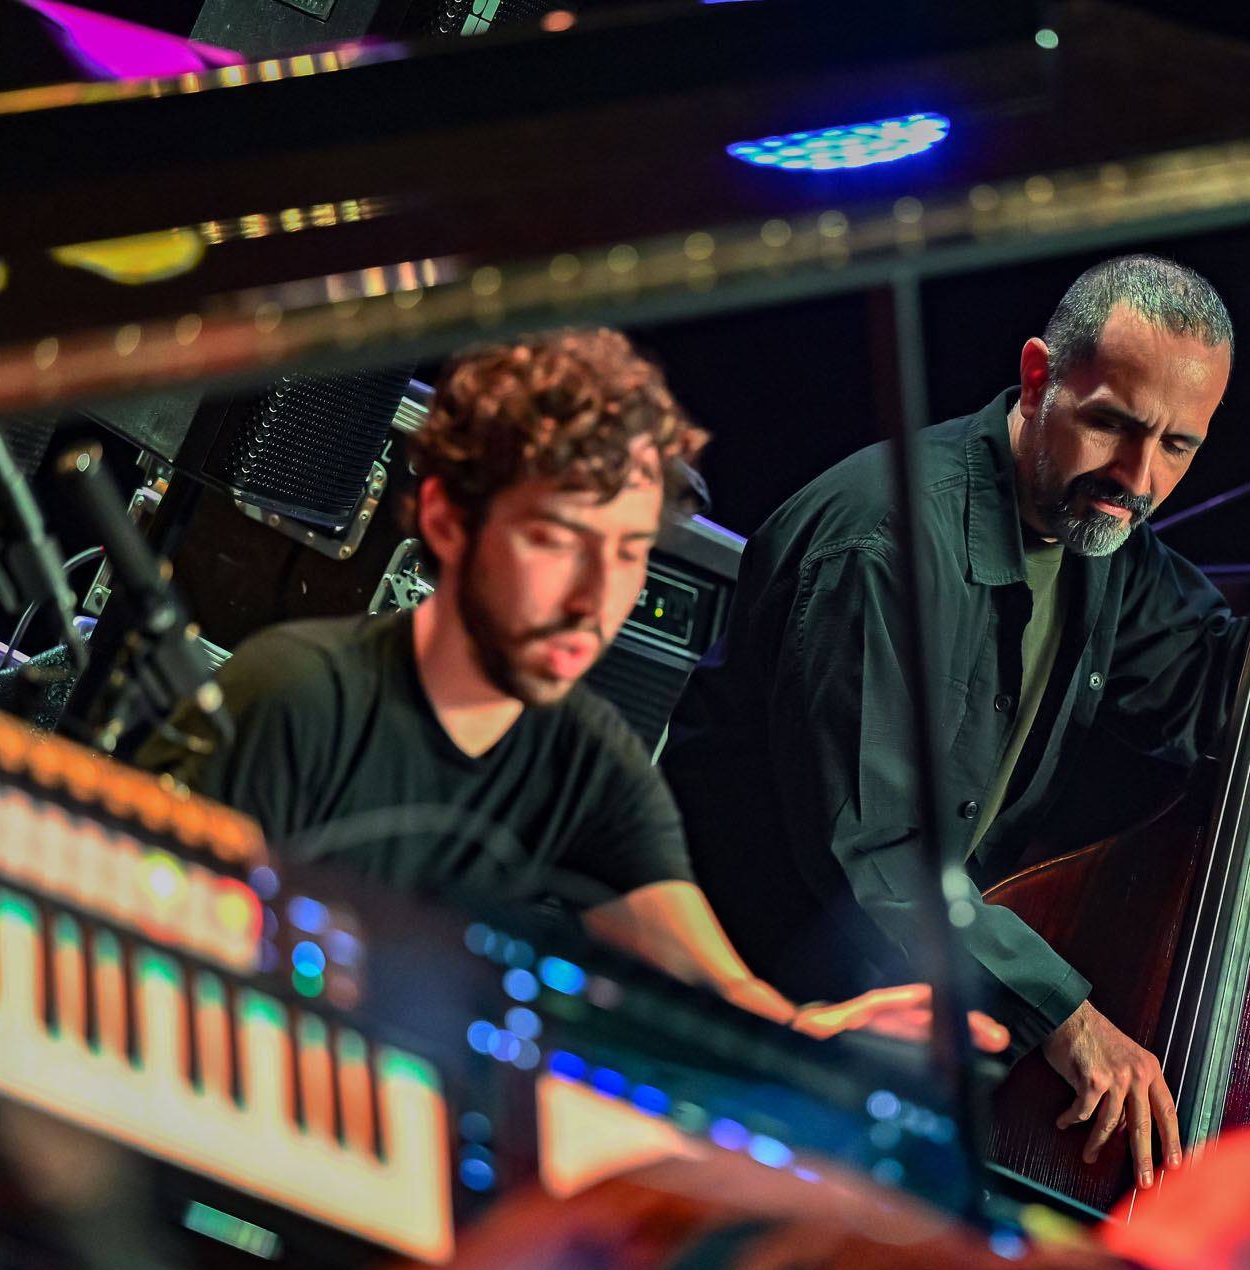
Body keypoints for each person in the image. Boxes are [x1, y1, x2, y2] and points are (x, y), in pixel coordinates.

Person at [662, 254, 1250, 1191]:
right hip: (737, 1018)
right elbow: (876, 856)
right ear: (1039, 377)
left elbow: (1220, 713)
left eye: (1178, 446)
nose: (1138, 476)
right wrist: (1066, 1016)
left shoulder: (1103, 537)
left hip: (882, 1017)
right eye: (1113, 424)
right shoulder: (884, 544)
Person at [141, 329, 1004, 1047]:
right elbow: (147, 941)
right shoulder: (295, 693)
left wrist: (805, 1027)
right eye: (559, 541)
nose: (596, 599)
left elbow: (715, 979)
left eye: (628, 553)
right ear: (446, 518)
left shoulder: (589, 759)